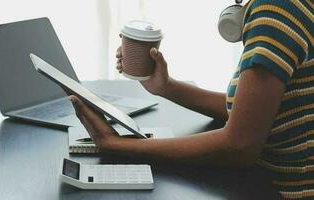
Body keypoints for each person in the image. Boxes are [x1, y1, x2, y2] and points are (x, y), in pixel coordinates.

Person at [70, 0, 313, 199]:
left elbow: (239, 145)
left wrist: (115, 145)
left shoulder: (276, 10)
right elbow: (252, 114)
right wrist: (166, 87)